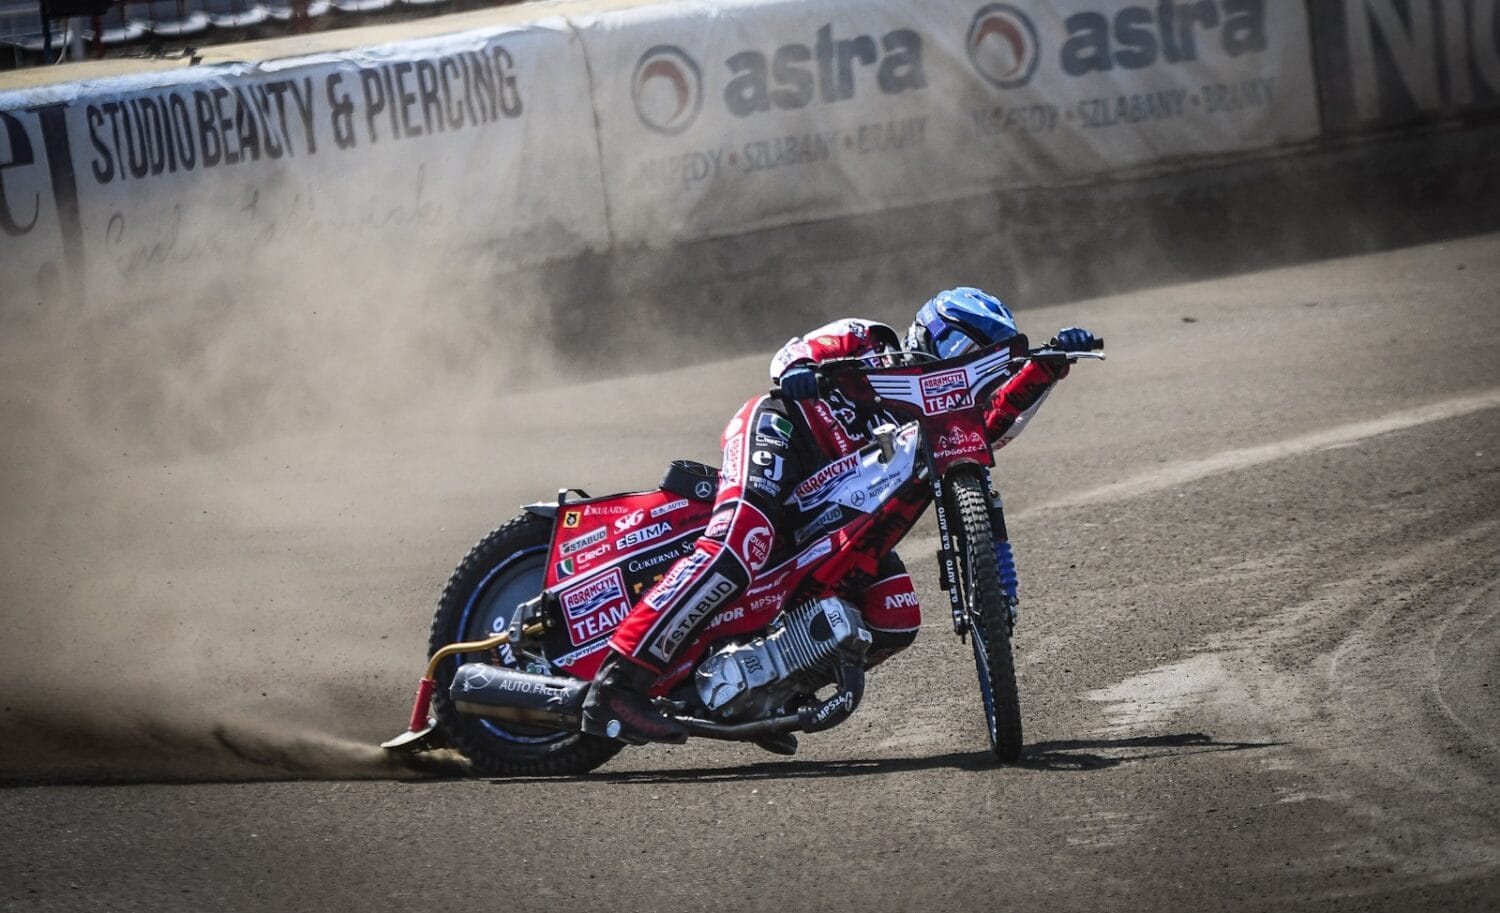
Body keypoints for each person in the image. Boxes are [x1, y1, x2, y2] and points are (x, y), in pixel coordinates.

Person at [581, 287, 1097, 748]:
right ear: (932, 334)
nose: (976, 370)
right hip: (783, 436)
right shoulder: (870, 339)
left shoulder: (944, 419)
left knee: (895, 617)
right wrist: (802, 370)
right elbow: (792, 355)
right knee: (742, 544)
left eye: (990, 363)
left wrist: (1042, 369)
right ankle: (617, 685)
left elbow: (992, 426)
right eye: (968, 352)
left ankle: (763, 696)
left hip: (837, 517)